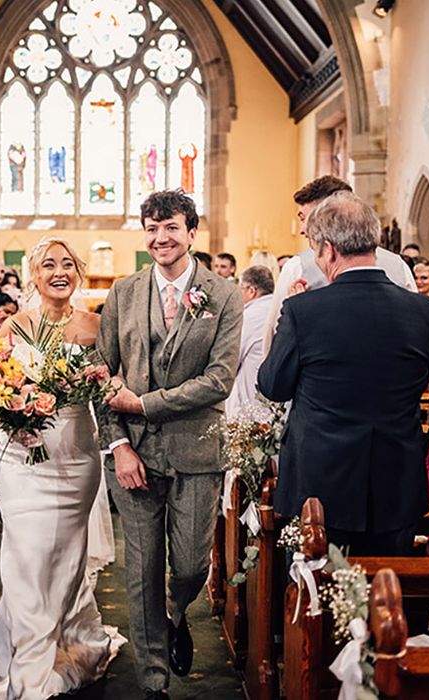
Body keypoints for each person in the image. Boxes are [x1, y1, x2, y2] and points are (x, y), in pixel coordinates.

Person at [96, 189, 243, 698]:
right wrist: (118, 446)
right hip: (134, 455)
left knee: (190, 564)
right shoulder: (123, 292)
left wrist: (145, 405)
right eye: (152, 228)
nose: (161, 238)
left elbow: (220, 379)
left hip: (196, 452)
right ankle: (153, 678)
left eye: (171, 227)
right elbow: (104, 377)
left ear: (191, 232)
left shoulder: (222, 295)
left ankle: (177, 610)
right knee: (140, 572)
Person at [0, 238, 125, 699]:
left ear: (77, 272)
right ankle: (29, 669)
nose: (59, 272)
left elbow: (114, 384)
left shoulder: (97, 327)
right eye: (48, 265)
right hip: (23, 461)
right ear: (34, 274)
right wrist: (12, 411)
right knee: (28, 558)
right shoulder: (14, 327)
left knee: (67, 560)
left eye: (67, 264)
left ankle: (59, 636)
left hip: (77, 457)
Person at [258, 192, 429, 556]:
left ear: (328, 249)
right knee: (388, 594)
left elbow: (273, 385)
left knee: (312, 599)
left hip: (318, 488)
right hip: (396, 480)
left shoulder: (304, 311)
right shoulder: (423, 312)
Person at [263, 176, 416, 353]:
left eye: (305, 218)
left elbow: (273, 340)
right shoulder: (398, 265)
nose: (302, 229)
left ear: (330, 215)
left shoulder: (297, 267)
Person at [226, 266, 275, 418]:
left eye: (240, 288)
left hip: (250, 402)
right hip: (277, 399)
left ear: (251, 291)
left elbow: (230, 360)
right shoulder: (281, 307)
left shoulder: (247, 317)